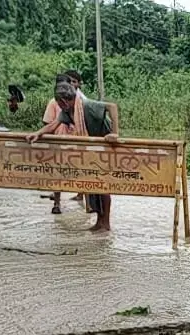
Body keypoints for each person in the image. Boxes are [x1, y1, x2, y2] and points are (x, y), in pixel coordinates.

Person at [28, 82, 120, 232]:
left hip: (105, 147)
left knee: (103, 185)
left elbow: (112, 107)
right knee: (92, 184)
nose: (58, 104)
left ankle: (106, 223)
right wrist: (38, 133)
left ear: (63, 101)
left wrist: (115, 134)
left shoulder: (87, 106)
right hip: (90, 149)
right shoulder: (67, 112)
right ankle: (99, 222)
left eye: (58, 102)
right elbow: (53, 125)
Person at [40, 74, 73, 213]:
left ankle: (84, 202)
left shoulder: (77, 102)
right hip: (60, 141)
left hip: (71, 141)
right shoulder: (54, 103)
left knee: (78, 171)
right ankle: (57, 204)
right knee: (58, 173)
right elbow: (48, 123)